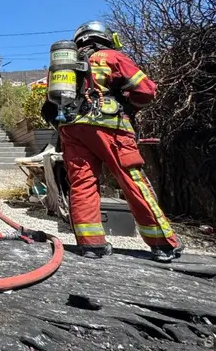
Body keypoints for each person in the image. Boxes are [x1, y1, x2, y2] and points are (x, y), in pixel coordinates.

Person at [53, 21, 183, 262]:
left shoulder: (66, 66)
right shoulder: (111, 57)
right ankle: (163, 243)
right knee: (132, 180)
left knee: (81, 184)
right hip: (110, 127)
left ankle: (91, 245)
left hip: (72, 129)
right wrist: (129, 106)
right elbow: (146, 90)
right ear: (105, 38)